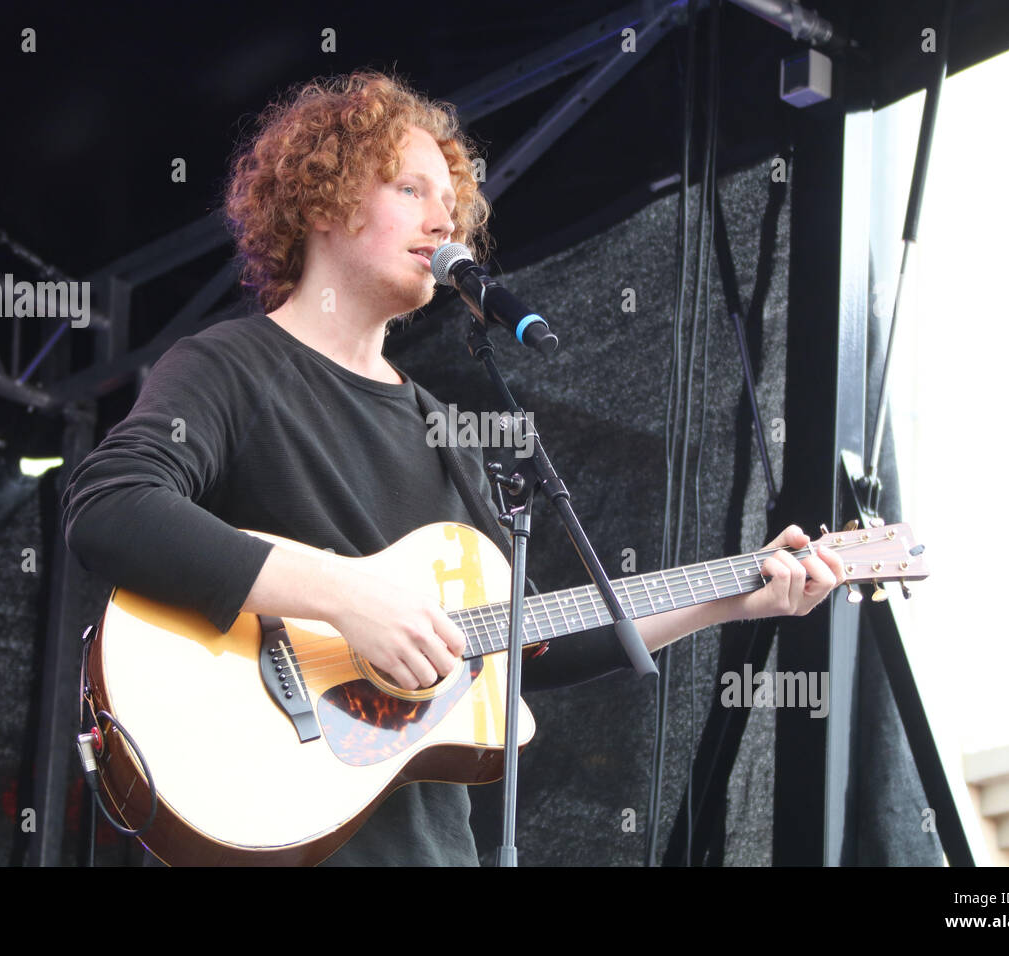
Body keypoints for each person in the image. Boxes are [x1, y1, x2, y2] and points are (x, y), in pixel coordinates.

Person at [60, 70, 844, 866]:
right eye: (412, 189)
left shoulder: (446, 429)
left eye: (453, 204)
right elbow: (112, 506)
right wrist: (347, 598)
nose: (445, 222)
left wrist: (734, 597)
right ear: (322, 199)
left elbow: (531, 641)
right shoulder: (231, 366)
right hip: (273, 823)